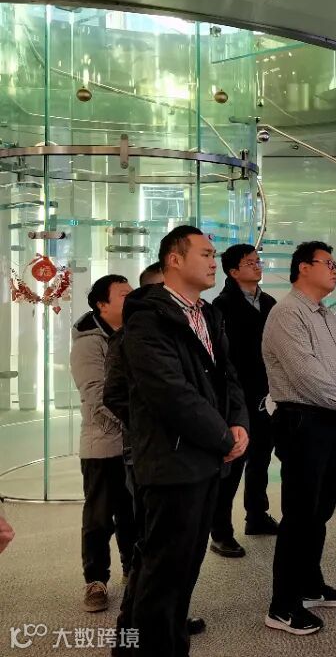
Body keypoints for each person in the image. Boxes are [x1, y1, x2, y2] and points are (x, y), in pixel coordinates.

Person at [115, 226, 249, 656]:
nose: (214, 261)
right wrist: (222, 437)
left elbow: (228, 376)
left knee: (183, 570)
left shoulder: (207, 314)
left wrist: (238, 423)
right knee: (162, 574)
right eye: (205, 254)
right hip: (171, 463)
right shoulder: (147, 318)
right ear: (174, 259)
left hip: (206, 460)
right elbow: (170, 393)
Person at [261, 241, 336, 636]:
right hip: (302, 420)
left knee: (320, 510)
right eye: (328, 263)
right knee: (300, 514)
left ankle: (309, 585)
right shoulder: (287, 314)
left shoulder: (325, 314)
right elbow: (305, 374)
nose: (335, 270)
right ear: (304, 267)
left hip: (329, 420)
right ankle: (282, 606)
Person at [104, 261, 208, 639]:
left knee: (179, 548)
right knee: (153, 547)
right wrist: (154, 426)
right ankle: (133, 629)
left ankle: (167, 620)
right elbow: (115, 395)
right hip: (151, 455)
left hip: (186, 454)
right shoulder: (132, 334)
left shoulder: (188, 326)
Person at [209, 244, 279, 559]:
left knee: (261, 457)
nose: (257, 266)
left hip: (267, 394)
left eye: (257, 261)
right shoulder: (221, 306)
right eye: (249, 263)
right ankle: (221, 532)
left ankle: (257, 515)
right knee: (233, 464)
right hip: (236, 396)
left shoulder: (269, 302)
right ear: (233, 271)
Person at [72, 274, 136, 613]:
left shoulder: (131, 333)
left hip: (134, 442)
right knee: (99, 517)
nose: (132, 298)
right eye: (124, 295)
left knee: (132, 513)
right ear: (102, 304)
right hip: (103, 444)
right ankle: (95, 580)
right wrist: (136, 421)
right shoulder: (89, 343)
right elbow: (97, 397)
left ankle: (132, 570)